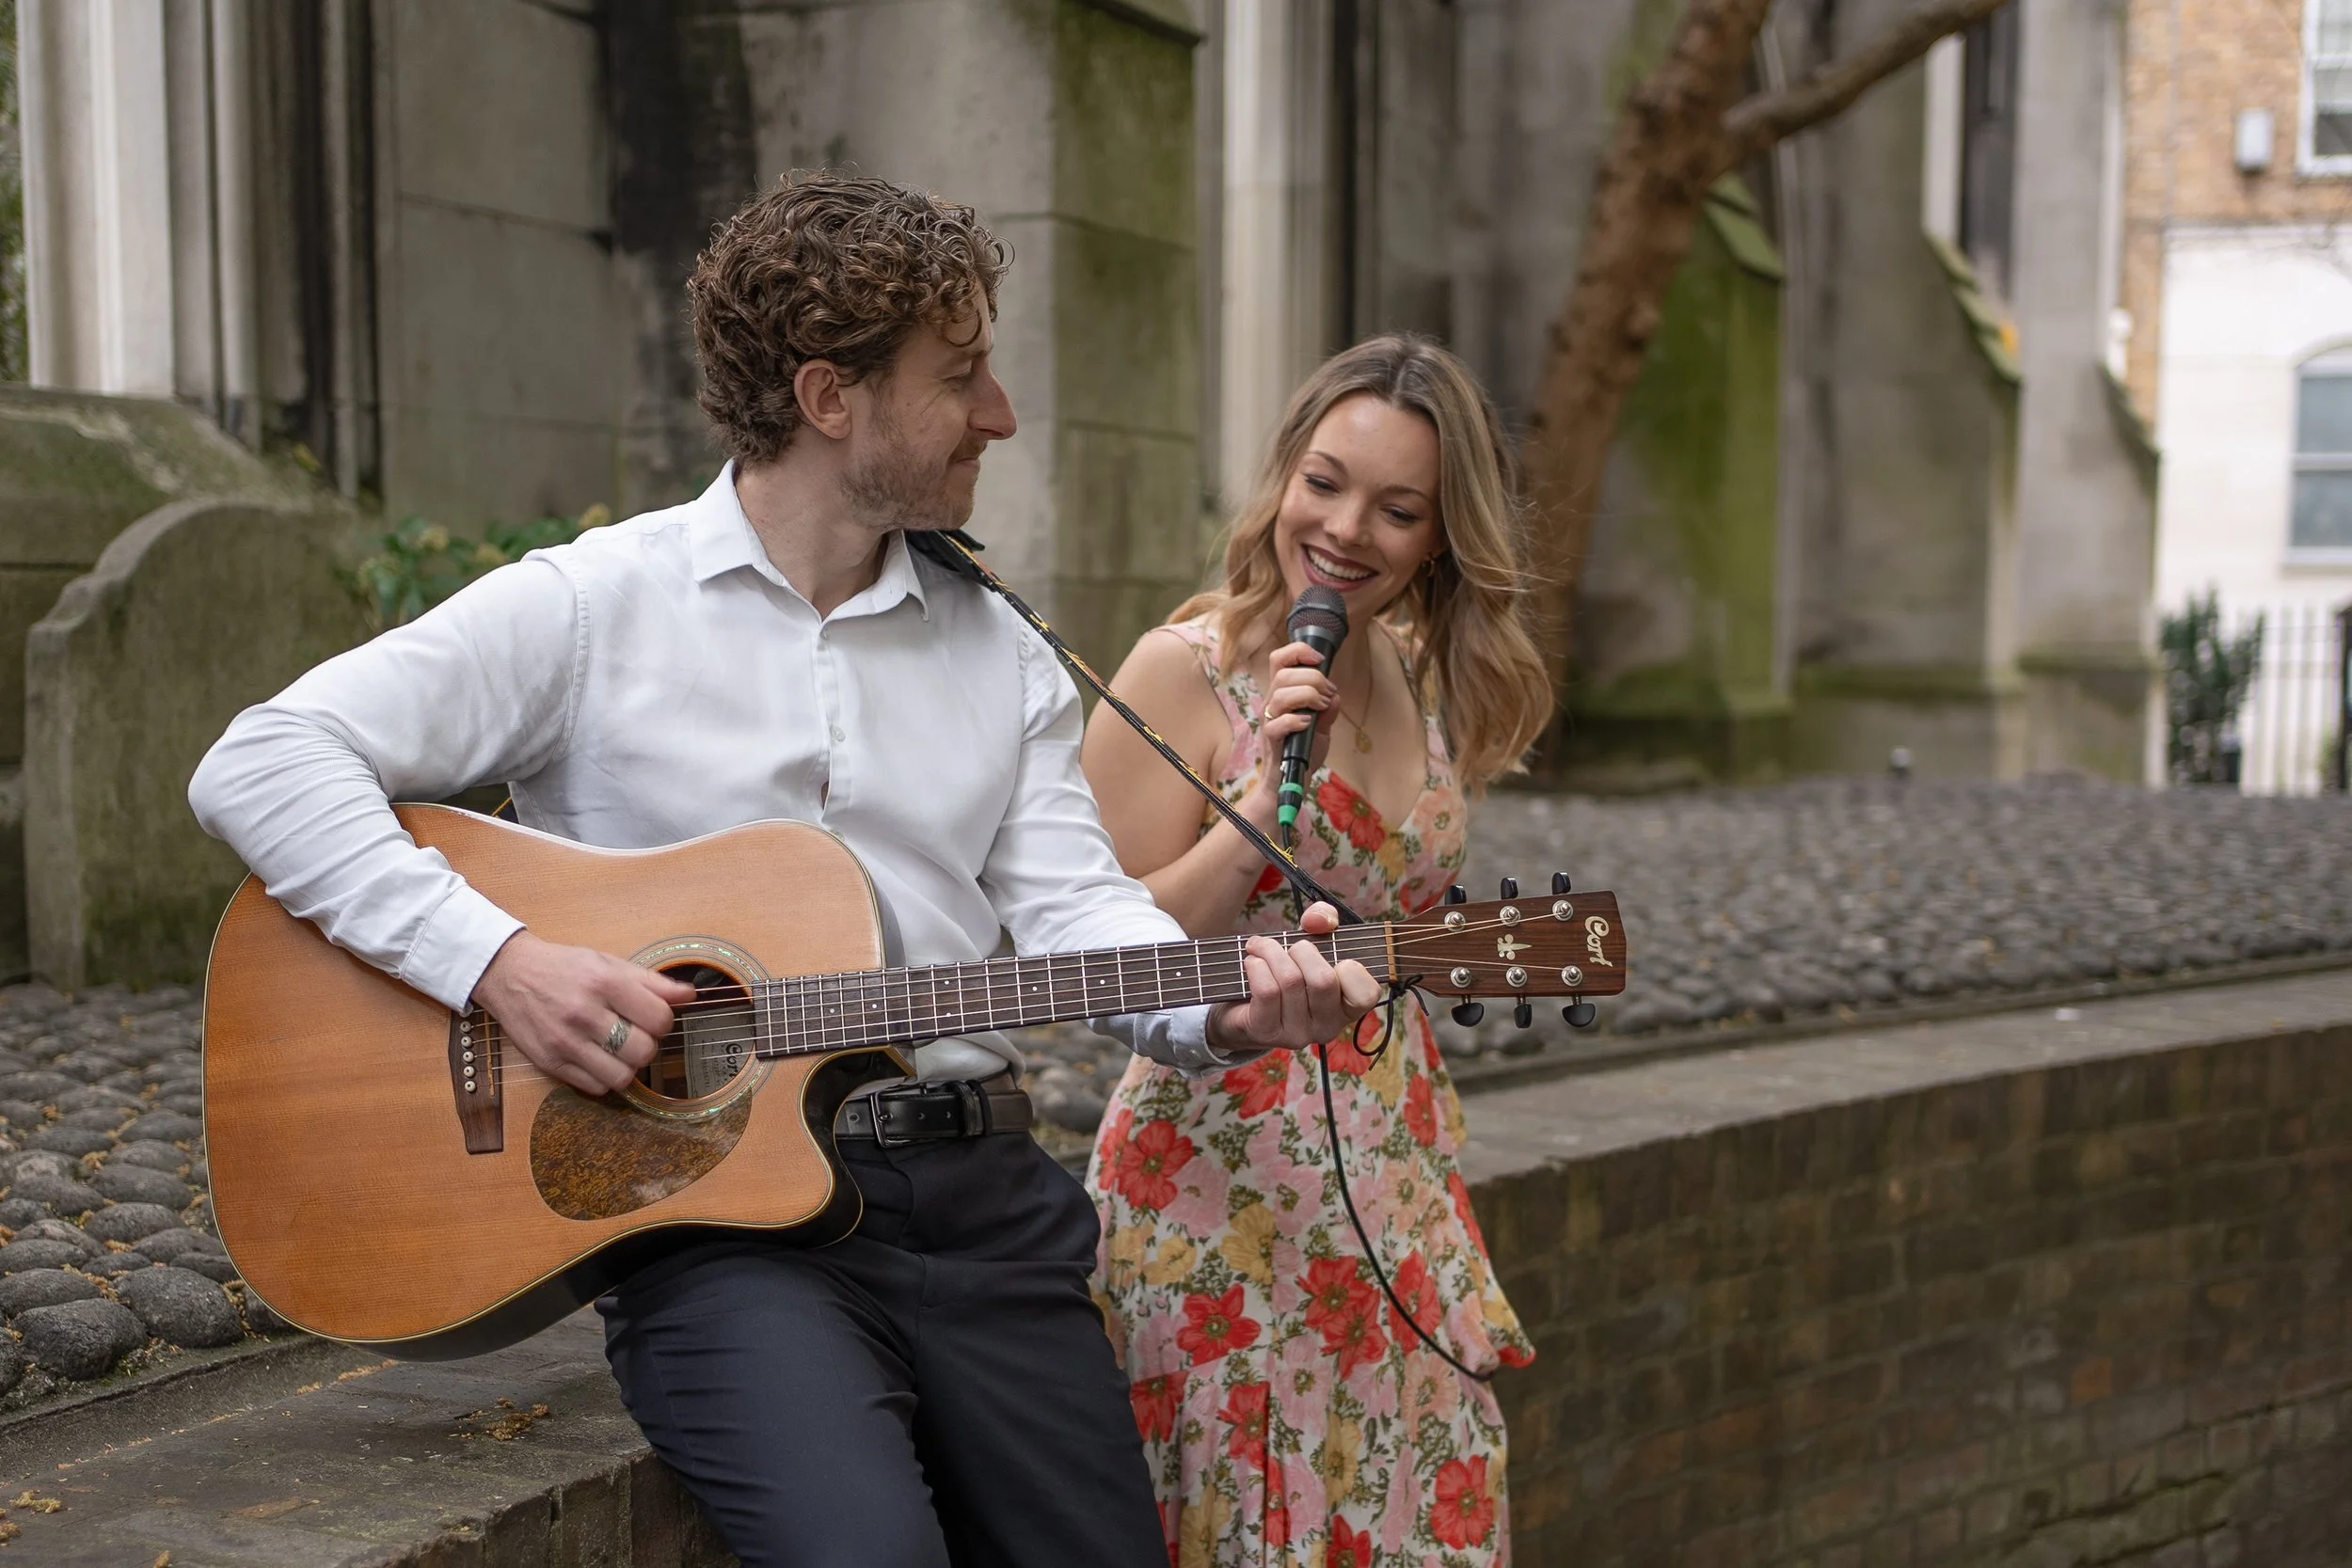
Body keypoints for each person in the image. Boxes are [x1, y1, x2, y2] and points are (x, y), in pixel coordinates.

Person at [187, 172, 1382, 1568]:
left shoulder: (1000, 653)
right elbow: (262, 761)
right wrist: (499, 963)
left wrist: (1221, 1007)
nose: (999, 414)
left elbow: (1076, 912)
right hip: (723, 1239)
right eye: (961, 377)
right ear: (831, 398)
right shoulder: (592, 608)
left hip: (985, 1210)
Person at [1081, 335, 1552, 1566]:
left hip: (1393, 1176)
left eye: (1400, 508)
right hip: (1216, 1185)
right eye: (1326, 481)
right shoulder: (1185, 674)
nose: (1348, 528)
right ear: (1284, 474)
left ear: (1442, 535)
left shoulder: (1410, 673)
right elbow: (1094, 949)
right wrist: (1245, 824)